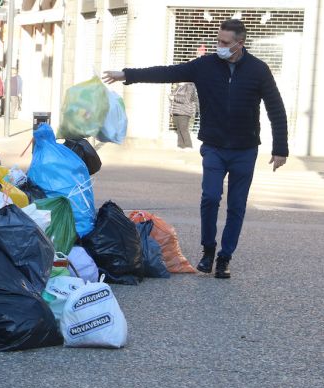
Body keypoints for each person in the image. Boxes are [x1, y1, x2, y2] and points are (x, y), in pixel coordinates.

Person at [103, 19, 288, 279]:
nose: (219, 46)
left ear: (240, 43)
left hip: (245, 149)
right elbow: (168, 72)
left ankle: (225, 258)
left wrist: (281, 147)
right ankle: (208, 250)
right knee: (210, 197)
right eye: (218, 40)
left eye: (225, 42)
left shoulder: (258, 70)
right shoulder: (205, 66)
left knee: (237, 205)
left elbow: (275, 108)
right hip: (213, 146)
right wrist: (128, 75)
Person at [170, 81, 199, 149]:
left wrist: (174, 98)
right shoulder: (179, 86)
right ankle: (181, 146)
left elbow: (186, 99)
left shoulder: (189, 87)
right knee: (179, 130)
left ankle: (188, 146)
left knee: (183, 129)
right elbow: (172, 95)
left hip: (184, 112)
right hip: (176, 111)